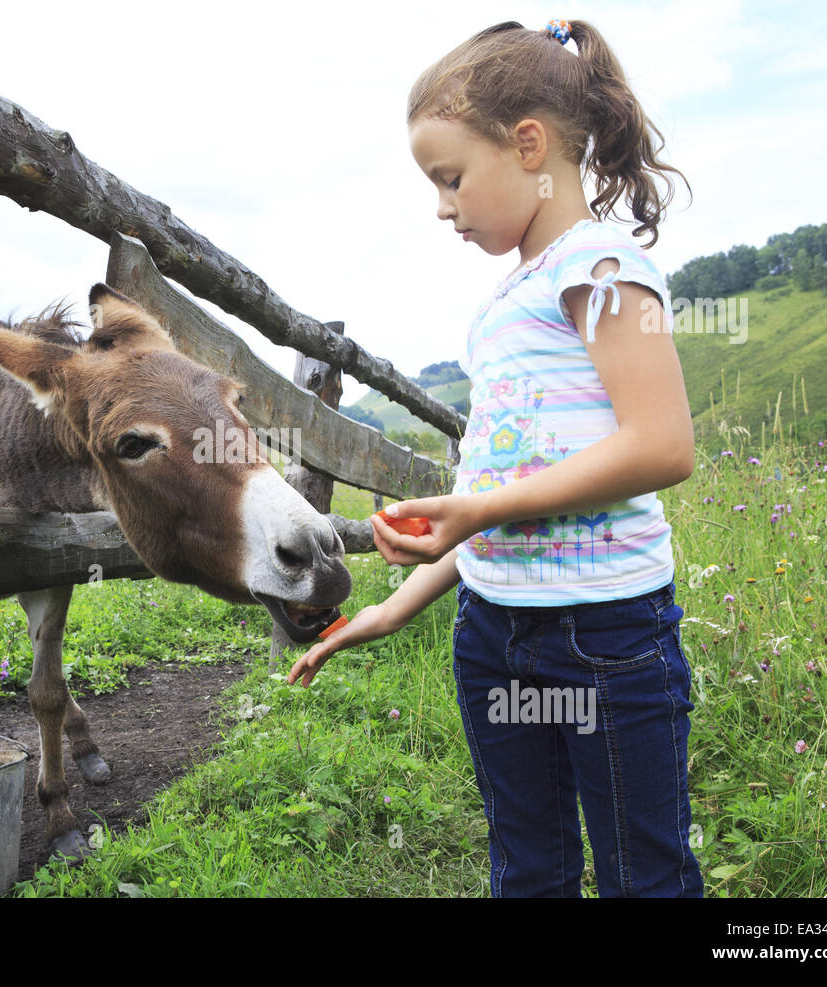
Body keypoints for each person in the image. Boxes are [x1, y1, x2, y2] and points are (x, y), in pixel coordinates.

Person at [287, 18, 702, 897]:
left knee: (644, 877)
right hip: (492, 633)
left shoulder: (598, 265)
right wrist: (397, 605)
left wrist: (477, 512)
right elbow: (489, 494)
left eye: (450, 178)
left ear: (527, 145)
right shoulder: (502, 302)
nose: (443, 206)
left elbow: (663, 444)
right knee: (528, 867)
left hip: (608, 635)